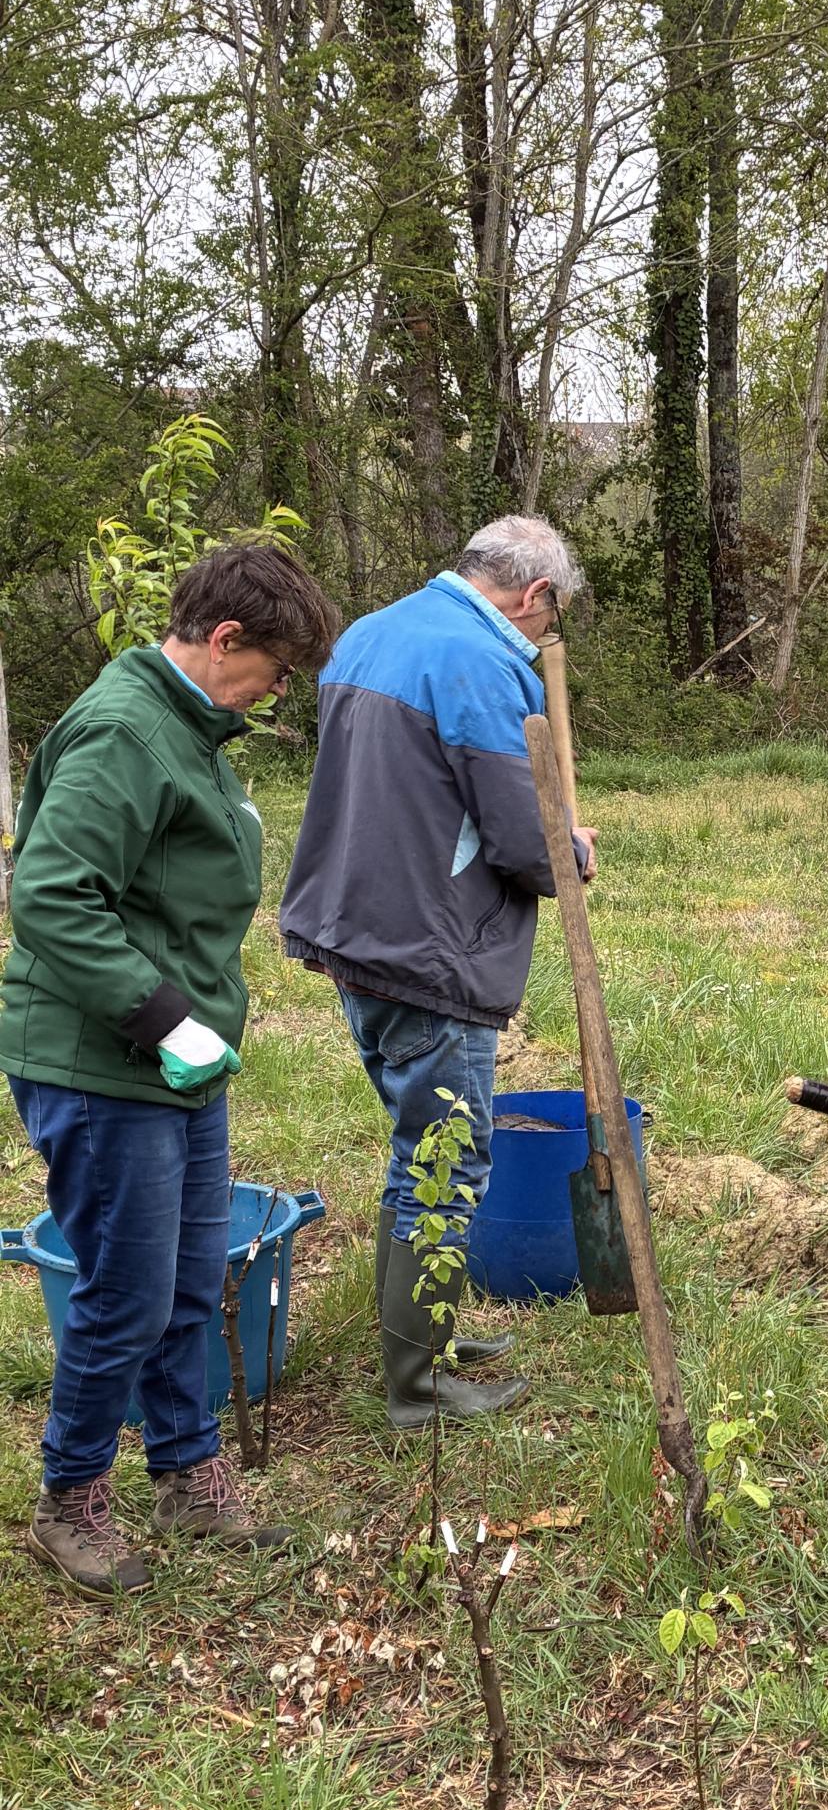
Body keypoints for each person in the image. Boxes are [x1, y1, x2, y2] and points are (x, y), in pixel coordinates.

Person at [2, 541, 339, 1599]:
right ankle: (70, 1502)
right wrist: (162, 1019)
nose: (279, 692)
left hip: (177, 1059)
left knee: (193, 1280)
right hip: (103, 1060)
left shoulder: (187, 727)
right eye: (275, 670)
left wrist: (189, 1029)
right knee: (127, 1296)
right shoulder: (123, 730)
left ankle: (189, 1474)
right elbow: (52, 896)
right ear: (224, 638)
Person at [279, 515, 597, 1429]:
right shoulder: (480, 662)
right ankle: (418, 1391)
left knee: (414, 1150)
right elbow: (519, 839)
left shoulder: (373, 633)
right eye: (552, 615)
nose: (545, 634)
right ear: (533, 595)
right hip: (430, 949)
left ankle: (427, 1337)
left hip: (354, 933)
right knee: (442, 1163)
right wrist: (570, 851)